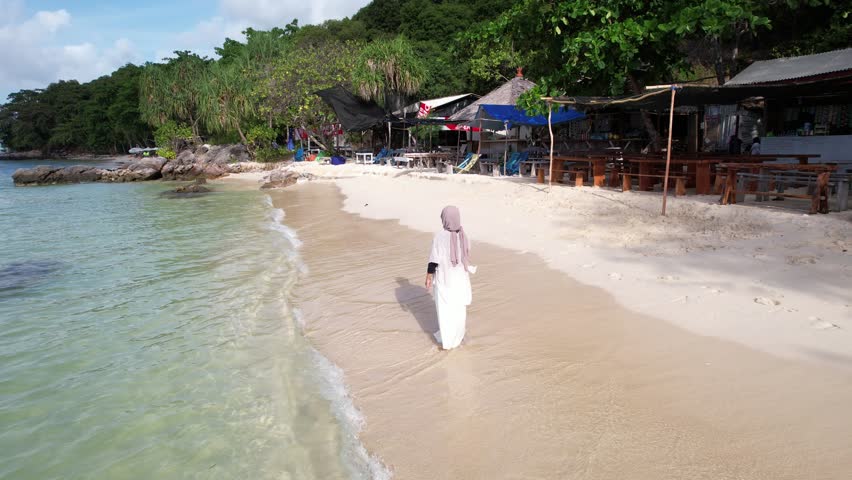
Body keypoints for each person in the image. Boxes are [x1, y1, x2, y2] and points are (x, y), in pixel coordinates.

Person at [425, 206, 476, 350]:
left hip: (445, 280)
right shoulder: (464, 235)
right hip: (460, 280)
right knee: (459, 310)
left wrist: (428, 276)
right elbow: (466, 255)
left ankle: (448, 342)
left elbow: (434, 259)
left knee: (445, 311)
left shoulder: (440, 236)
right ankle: (458, 337)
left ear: (445, 219)